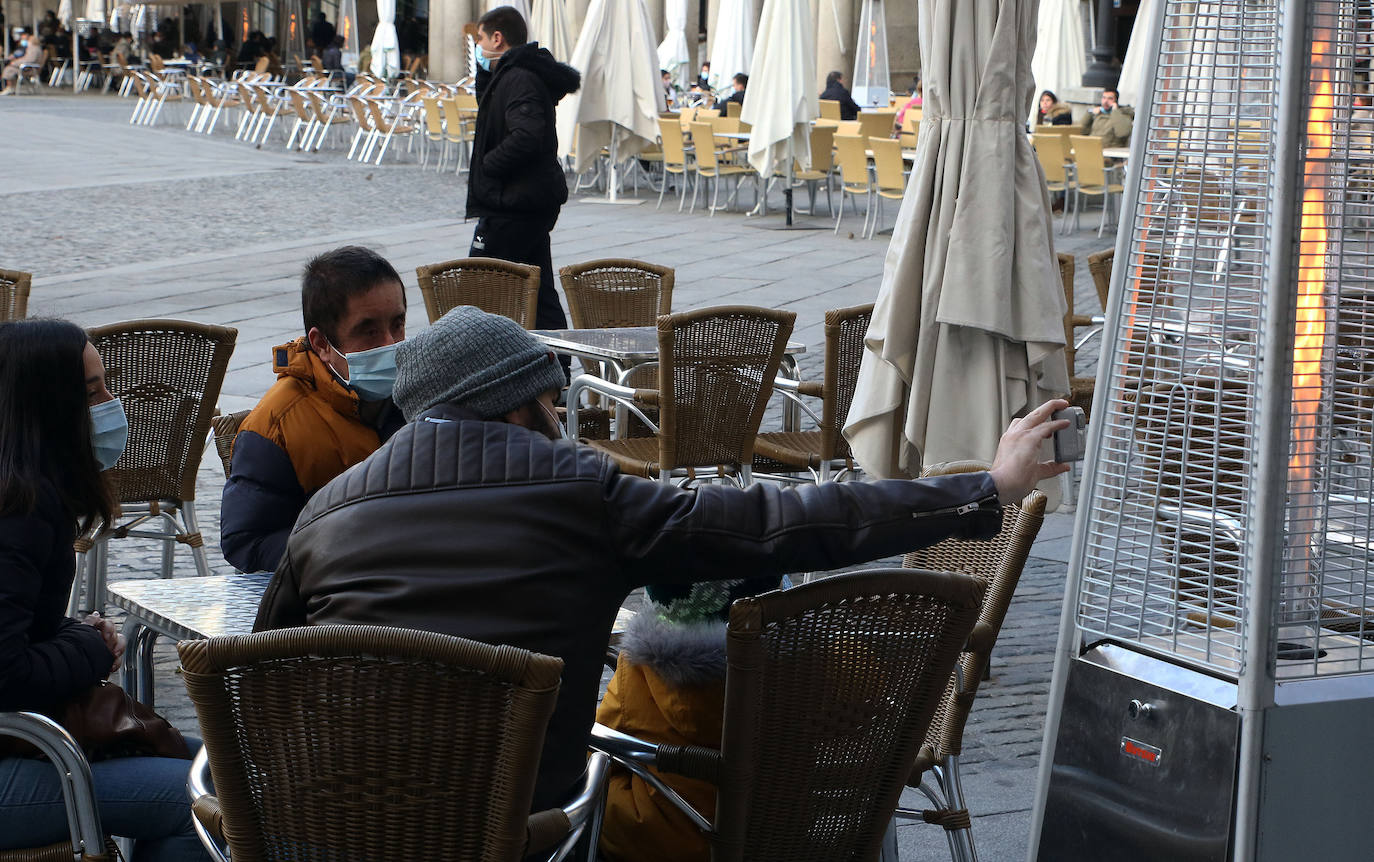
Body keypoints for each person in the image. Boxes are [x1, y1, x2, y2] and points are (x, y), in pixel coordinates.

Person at [254, 305, 1071, 815]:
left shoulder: (325, 511)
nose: (559, 416)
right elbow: (783, 520)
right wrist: (983, 490)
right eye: (550, 400)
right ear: (514, 403)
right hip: (520, 826)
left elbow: (262, 675)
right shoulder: (580, 491)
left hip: (334, 822)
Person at [0, 319, 208, 861]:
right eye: (94, 392)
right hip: (14, 761)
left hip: (24, 745)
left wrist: (73, 634)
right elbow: (5, 674)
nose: (112, 403)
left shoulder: (27, 491)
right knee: (209, 799)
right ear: (48, 407)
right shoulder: (17, 509)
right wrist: (90, 647)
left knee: (222, 767)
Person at [220, 246, 406, 575]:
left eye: (398, 324)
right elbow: (247, 542)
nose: (390, 344)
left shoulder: (421, 396)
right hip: (330, 602)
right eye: (369, 331)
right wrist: (348, 551)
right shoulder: (276, 426)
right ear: (321, 344)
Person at [596, 574, 780, 862]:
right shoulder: (802, 670)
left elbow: (597, 742)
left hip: (664, 839)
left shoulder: (641, 670)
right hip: (772, 831)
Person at [467, 7, 581, 347]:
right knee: (540, 291)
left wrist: (489, 165)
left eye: (481, 40)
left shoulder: (519, 78)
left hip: (514, 203)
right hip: (526, 201)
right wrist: (485, 75)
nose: (478, 47)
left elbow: (527, 135)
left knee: (480, 283)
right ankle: (556, 368)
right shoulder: (511, 75)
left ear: (497, 39)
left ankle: (486, 364)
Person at [0, 28, 41, 96]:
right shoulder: (32, 48)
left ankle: (10, 87)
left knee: (9, 69)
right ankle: (10, 87)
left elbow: (29, 59)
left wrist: (15, 63)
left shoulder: (33, 48)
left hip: (29, 68)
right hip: (28, 67)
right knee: (10, 68)